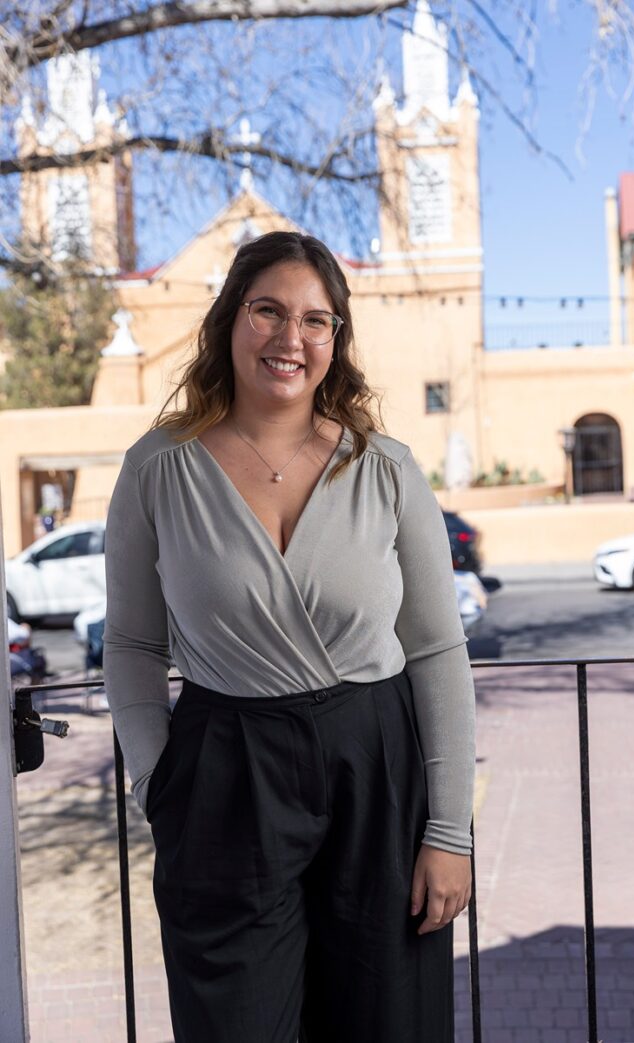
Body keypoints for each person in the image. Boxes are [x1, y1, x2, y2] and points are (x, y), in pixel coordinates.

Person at [104, 230, 476, 1043]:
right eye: (268, 309)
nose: (290, 337)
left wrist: (449, 828)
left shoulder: (387, 469)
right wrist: (155, 779)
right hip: (223, 770)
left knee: (386, 1019)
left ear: (336, 340)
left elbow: (439, 649)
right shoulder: (158, 468)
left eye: (316, 320)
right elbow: (132, 642)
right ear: (230, 320)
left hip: (374, 769)